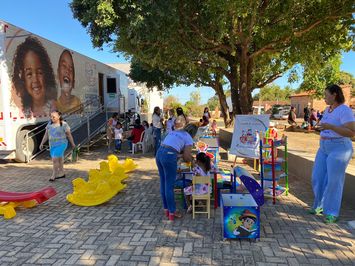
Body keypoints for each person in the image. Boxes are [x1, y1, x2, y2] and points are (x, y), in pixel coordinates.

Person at [310, 84, 355, 223]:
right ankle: (319, 206)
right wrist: (321, 128)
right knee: (317, 177)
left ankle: (332, 212)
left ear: (334, 94)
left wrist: (330, 127)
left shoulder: (344, 110)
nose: (324, 98)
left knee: (334, 181)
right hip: (323, 147)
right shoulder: (327, 109)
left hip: (339, 148)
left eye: (326, 95)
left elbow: (352, 133)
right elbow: (326, 126)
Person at [156, 119, 198, 221]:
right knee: (169, 185)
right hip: (169, 156)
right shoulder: (188, 138)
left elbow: (173, 148)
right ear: (194, 133)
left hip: (159, 153)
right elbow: (186, 157)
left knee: (163, 182)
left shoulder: (175, 132)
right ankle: (172, 212)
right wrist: (193, 160)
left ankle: (167, 209)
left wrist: (179, 155)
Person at [12, 36, 57, 117]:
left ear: (46, 74)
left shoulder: (52, 106)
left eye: (39, 72)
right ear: (23, 79)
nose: (35, 80)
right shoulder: (23, 110)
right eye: (29, 74)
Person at [39, 110, 75, 181]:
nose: (52, 118)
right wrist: (42, 143)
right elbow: (46, 135)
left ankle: (54, 175)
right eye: (51, 117)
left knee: (55, 159)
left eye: (53, 117)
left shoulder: (64, 124)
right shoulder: (49, 124)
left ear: (59, 117)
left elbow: (69, 135)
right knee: (60, 158)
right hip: (52, 145)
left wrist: (73, 144)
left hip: (62, 144)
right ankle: (62, 173)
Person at [55, 49, 82, 114]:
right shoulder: (55, 105)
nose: (67, 71)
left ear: (73, 82)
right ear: (58, 74)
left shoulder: (78, 103)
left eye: (71, 69)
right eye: (64, 66)